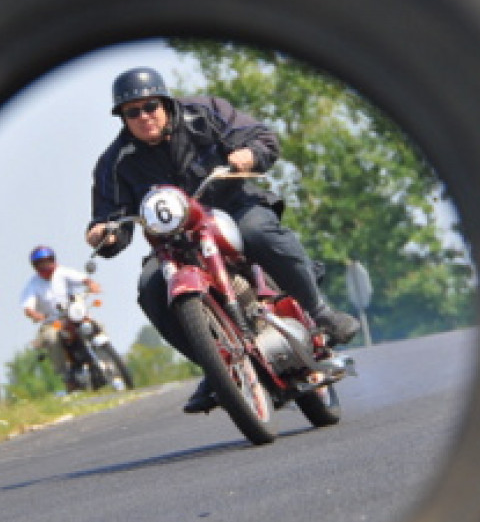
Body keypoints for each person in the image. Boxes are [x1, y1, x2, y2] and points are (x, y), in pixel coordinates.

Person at [85, 67, 360, 414]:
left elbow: (261, 137)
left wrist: (249, 154)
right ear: (123, 118)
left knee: (258, 233)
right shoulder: (115, 162)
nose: (143, 116)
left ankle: (320, 312)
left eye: (150, 106)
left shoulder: (204, 113)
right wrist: (103, 233)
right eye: (132, 112)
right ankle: (215, 366)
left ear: (165, 103)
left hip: (234, 208)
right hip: (176, 242)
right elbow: (111, 217)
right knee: (150, 286)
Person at [20, 245, 102, 390]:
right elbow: (28, 307)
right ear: (35, 266)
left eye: (48, 261)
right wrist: (35, 315)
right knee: (52, 338)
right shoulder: (32, 285)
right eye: (41, 263)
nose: (46, 265)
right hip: (53, 322)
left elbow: (83, 279)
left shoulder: (63, 272)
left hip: (73, 314)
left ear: (53, 260)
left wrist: (92, 284)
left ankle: (105, 352)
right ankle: (66, 375)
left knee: (95, 324)